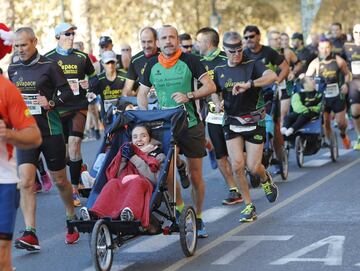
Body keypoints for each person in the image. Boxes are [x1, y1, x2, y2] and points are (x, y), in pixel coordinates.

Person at [137, 25, 216, 237]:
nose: (168, 41)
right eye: (164, 38)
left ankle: (198, 217)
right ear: (158, 42)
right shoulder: (152, 64)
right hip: (164, 125)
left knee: (196, 174)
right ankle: (181, 209)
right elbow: (141, 94)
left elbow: (210, 86)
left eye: (172, 37)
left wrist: (189, 95)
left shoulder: (191, 61)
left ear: (177, 40)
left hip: (190, 124)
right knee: (167, 171)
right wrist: (144, 117)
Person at [8, 27, 79, 250]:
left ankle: (71, 217)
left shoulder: (49, 66)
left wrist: (51, 104)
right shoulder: (13, 68)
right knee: (26, 182)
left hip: (50, 131)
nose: (19, 49)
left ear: (34, 42)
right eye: (16, 46)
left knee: (60, 180)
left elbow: (68, 92)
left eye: (23, 45)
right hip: (25, 133)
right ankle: (31, 233)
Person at [211, 31, 278, 223]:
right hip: (231, 121)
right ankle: (249, 205)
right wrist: (217, 102)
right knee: (237, 165)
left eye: (239, 49)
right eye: (232, 51)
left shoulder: (252, 65)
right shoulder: (219, 69)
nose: (237, 54)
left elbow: (272, 76)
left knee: (253, 166)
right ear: (224, 50)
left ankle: (266, 180)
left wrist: (250, 84)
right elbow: (214, 90)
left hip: (254, 120)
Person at [45, 22, 98, 207]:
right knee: (66, 154)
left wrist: (89, 85)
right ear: (57, 36)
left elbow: (94, 77)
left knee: (75, 146)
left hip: (78, 106)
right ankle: (79, 167)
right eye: (67, 34)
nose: (71, 37)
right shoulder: (48, 58)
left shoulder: (82, 57)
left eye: (72, 34)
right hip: (58, 109)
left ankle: (74, 189)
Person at [81, 124, 165, 228]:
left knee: (136, 181)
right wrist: (124, 158)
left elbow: (155, 179)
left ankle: (130, 213)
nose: (139, 139)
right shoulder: (129, 149)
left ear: (149, 138)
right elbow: (115, 174)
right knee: (112, 182)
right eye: (135, 137)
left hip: (145, 183)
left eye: (143, 136)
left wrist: (134, 157)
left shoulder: (157, 154)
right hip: (125, 181)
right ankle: (95, 213)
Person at [196, 27, 243, 205]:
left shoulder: (227, 57)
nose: (196, 44)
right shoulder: (199, 62)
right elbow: (198, 87)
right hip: (213, 116)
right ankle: (233, 189)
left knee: (236, 154)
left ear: (207, 43)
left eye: (198, 41)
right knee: (220, 155)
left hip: (234, 113)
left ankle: (251, 173)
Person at [0, 72, 42, 271]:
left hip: (3, 180)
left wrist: (7, 134)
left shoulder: (6, 89)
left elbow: (34, 136)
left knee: (2, 251)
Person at [243, 25, 289, 174]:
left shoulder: (269, 52)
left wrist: (276, 82)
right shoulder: (243, 54)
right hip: (251, 95)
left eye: (251, 36)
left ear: (258, 37)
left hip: (270, 93)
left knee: (274, 125)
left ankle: (280, 156)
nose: (249, 40)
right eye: (246, 37)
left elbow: (285, 68)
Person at [306, 37, 351, 149]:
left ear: (330, 48)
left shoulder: (338, 60)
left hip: (336, 96)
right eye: (322, 48)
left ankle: (343, 134)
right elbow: (307, 77)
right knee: (326, 122)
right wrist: (309, 82)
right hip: (323, 96)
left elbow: (347, 74)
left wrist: (346, 84)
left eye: (327, 48)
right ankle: (331, 143)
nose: (324, 50)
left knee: (341, 123)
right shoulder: (315, 63)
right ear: (318, 49)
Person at [267, 30, 302, 126]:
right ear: (269, 41)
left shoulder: (287, 52)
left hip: (285, 87)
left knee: (282, 115)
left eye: (280, 39)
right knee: (270, 116)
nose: (280, 41)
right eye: (277, 39)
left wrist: (293, 72)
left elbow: (298, 64)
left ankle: (283, 138)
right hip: (269, 88)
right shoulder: (265, 53)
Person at [123, 27, 159, 96]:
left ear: (156, 41)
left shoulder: (164, 55)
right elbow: (127, 88)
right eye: (143, 42)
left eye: (149, 42)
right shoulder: (135, 60)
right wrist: (126, 96)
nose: (146, 46)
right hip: (144, 99)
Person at [344, 24, 360, 150]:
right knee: (355, 111)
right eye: (356, 32)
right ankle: (359, 136)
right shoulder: (347, 46)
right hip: (354, 82)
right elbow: (338, 62)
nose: (358, 34)